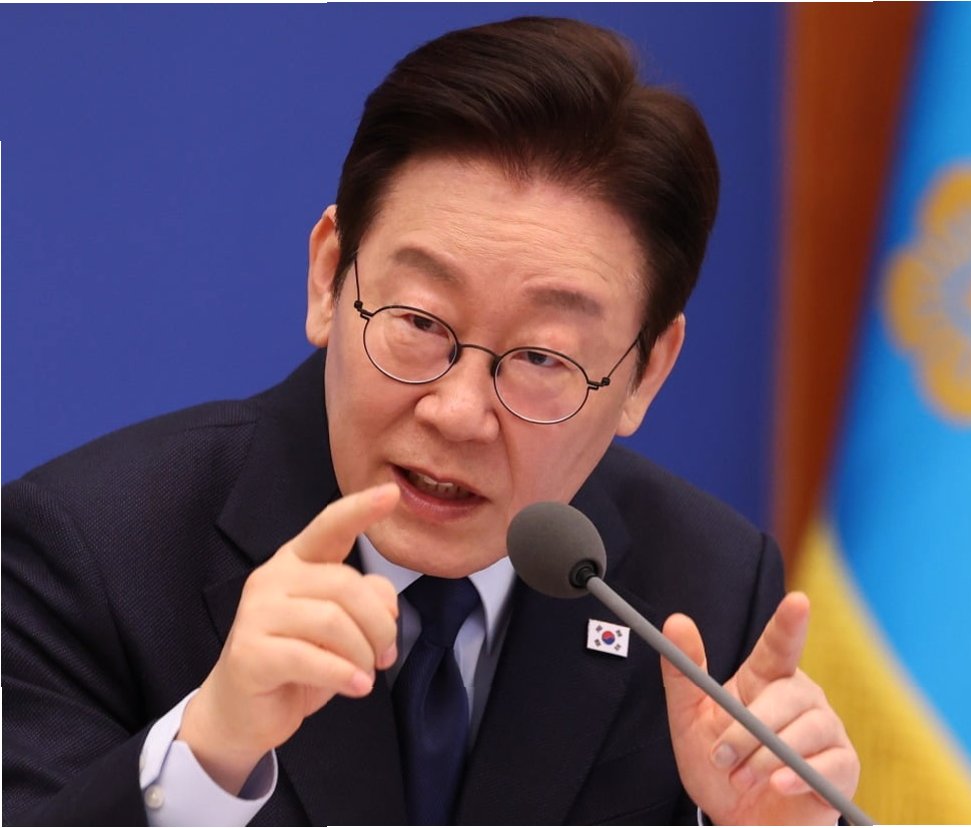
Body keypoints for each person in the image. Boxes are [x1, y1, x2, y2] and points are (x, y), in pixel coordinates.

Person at [2, 16, 858, 826]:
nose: (457, 413)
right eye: (418, 322)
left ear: (646, 373)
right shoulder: (90, 554)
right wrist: (207, 757)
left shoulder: (702, 590)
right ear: (329, 277)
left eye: (542, 359)